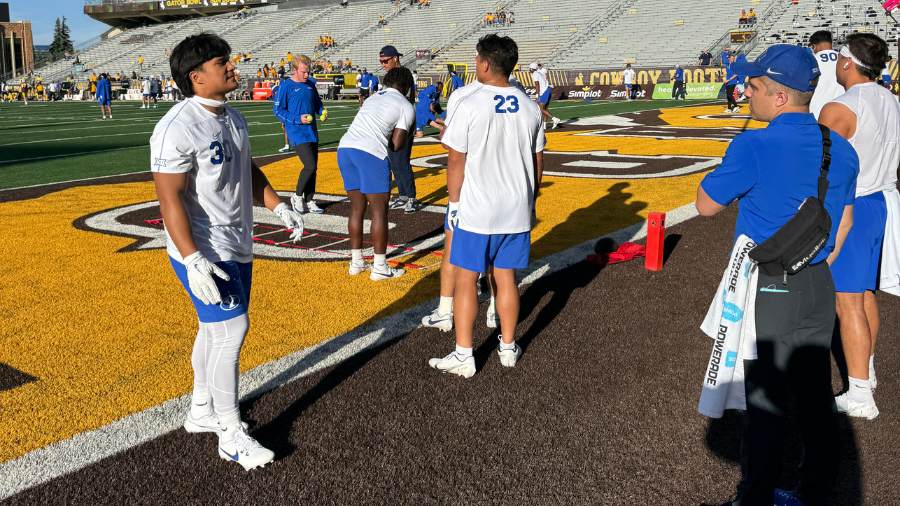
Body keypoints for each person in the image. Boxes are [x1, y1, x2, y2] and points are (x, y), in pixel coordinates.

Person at [695, 44, 859, 505]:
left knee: (763, 400)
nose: (746, 91)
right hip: (817, 283)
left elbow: (706, 206)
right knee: (813, 393)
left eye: (753, 85)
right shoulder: (840, 147)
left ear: (779, 96)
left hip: (768, 283)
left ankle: (755, 496)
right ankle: (816, 490)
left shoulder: (754, 143)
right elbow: (842, 222)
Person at [151, 32, 305, 471]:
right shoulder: (178, 126)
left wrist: (276, 205)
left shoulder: (231, 117)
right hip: (202, 246)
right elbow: (170, 199)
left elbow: (245, 168)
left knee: (213, 329)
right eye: (223, 63)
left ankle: (201, 409)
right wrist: (192, 256)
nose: (233, 68)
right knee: (232, 330)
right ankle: (229, 431)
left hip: (237, 240)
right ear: (197, 77)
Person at [428, 34, 545, 378]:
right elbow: (538, 163)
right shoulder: (529, 107)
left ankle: (465, 353)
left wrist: (453, 203)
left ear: (483, 62)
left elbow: (456, 160)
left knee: (467, 278)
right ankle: (508, 347)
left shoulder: (470, 102)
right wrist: (531, 199)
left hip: (478, 207)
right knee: (506, 278)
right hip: (516, 208)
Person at [818, 33, 900, 420]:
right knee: (865, 295)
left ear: (848, 62)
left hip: (856, 203)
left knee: (847, 299)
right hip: (884, 200)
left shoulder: (841, 107)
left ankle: (861, 395)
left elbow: (820, 171)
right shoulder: (889, 97)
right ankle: (864, 369)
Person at [336, 66, 414, 280]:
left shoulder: (372, 98)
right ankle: (379, 266)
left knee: (356, 209)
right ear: (406, 86)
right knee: (379, 212)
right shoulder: (405, 105)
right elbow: (397, 144)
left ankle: (356, 262)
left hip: (345, 148)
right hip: (370, 152)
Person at [273, 54, 327, 215]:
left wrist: (322, 111)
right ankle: (297, 196)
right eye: (304, 72)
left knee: (314, 168)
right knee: (309, 165)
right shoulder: (285, 86)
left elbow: (317, 103)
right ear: (294, 70)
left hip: (312, 131)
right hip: (296, 131)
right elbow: (277, 110)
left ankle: (310, 200)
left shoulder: (310, 84)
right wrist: (297, 119)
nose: (307, 75)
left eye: (308, 72)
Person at [379, 45, 421, 213]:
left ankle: (411, 197)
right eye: (381, 61)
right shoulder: (388, 76)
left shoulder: (405, 74)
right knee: (394, 161)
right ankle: (403, 195)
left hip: (403, 120)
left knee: (402, 160)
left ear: (395, 58)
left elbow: (406, 99)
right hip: (392, 122)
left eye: (386, 60)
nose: (383, 64)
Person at [808, 30, 844, 119]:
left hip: (818, 112)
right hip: (842, 111)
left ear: (814, 46)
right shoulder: (844, 59)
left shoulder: (811, 61)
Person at [530, 62, 560, 128]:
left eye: (530, 69)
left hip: (544, 91)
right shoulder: (539, 72)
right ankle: (544, 126)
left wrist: (537, 95)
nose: (529, 70)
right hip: (548, 90)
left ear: (532, 69)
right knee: (545, 108)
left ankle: (554, 119)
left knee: (540, 109)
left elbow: (537, 85)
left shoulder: (535, 74)